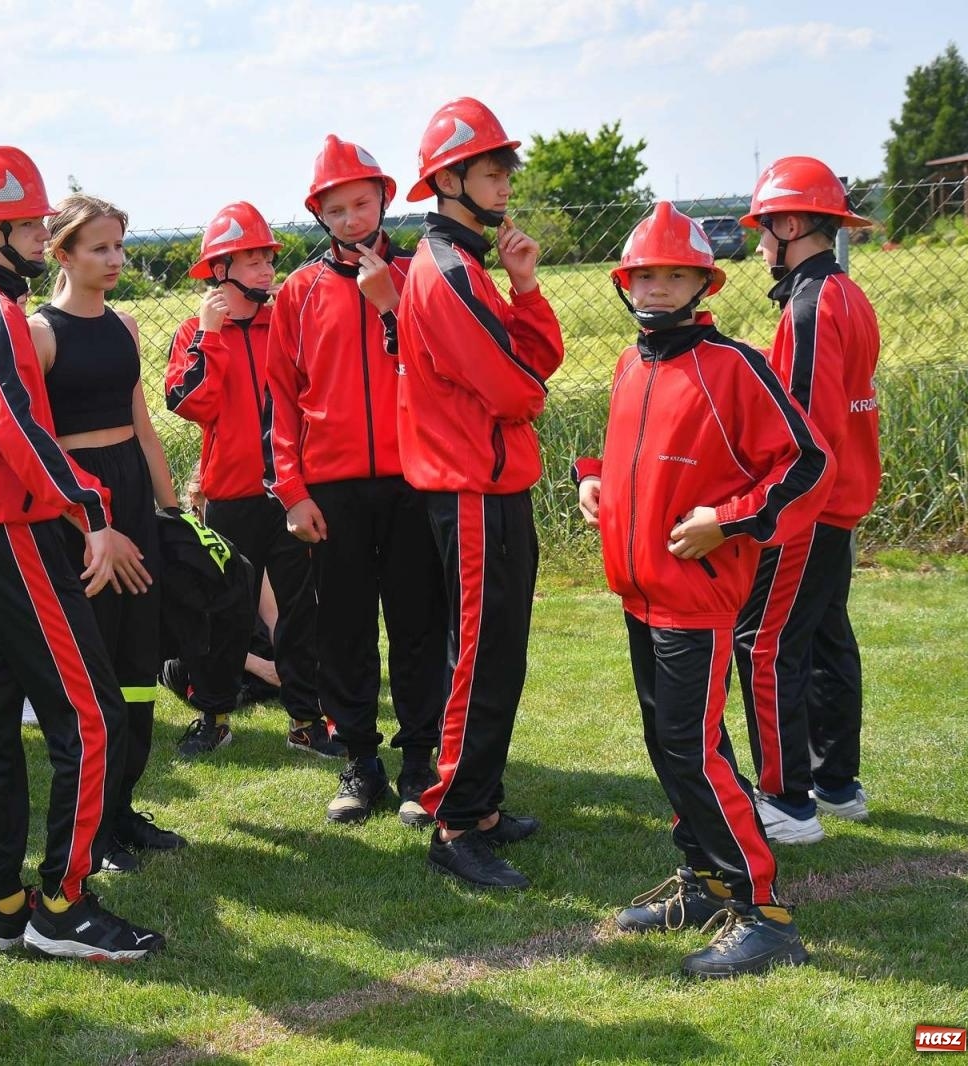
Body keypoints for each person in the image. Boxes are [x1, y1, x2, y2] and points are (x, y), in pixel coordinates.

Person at [0, 146, 165, 961]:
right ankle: (62, 904)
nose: (40, 232)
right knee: (90, 718)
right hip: (9, 533)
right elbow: (14, 427)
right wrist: (93, 508)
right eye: (30, 223)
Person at [573, 202, 832, 976]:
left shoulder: (734, 366)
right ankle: (707, 879)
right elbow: (638, 454)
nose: (656, 287)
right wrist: (593, 481)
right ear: (626, 283)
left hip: (697, 598)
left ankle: (766, 912)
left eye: (673, 274)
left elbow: (806, 464)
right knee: (673, 745)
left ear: (701, 283)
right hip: (638, 593)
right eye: (643, 274)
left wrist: (729, 521)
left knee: (695, 749)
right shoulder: (631, 364)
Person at [395, 97, 564, 889]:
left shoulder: (475, 265)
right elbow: (515, 387)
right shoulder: (449, 269)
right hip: (468, 489)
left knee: (499, 650)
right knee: (477, 658)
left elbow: (536, 361)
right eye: (490, 169)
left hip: (492, 483)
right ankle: (454, 823)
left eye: (504, 169)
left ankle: (482, 804)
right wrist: (526, 386)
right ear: (449, 177)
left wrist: (525, 287)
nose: (504, 181)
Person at [266, 135, 446, 826]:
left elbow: (445, 363)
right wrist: (293, 491)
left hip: (414, 478)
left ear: (384, 199)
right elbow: (279, 400)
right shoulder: (299, 292)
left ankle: (418, 759)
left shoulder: (423, 275)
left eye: (360, 203)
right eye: (334, 208)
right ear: (318, 213)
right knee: (340, 629)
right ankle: (360, 761)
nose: (349, 217)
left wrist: (393, 301)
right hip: (330, 489)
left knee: (418, 624)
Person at [29, 194, 186, 872]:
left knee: (138, 658)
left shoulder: (124, 325)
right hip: (78, 505)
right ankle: (93, 825)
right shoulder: (40, 333)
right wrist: (85, 518)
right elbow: (32, 442)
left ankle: (123, 809)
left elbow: (145, 428)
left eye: (120, 246)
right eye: (99, 248)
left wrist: (172, 513)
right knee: (95, 666)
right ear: (62, 253)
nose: (116, 259)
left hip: (130, 492)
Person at [732, 157, 882, 844]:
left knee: (763, 643)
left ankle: (786, 802)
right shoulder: (847, 296)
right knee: (824, 636)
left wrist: (762, 504)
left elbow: (795, 427)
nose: (760, 244)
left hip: (808, 508)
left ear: (792, 225)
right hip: (841, 501)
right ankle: (836, 782)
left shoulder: (810, 306)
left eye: (765, 229)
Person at [164, 202, 341, 760]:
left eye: (268, 257)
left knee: (300, 610)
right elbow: (191, 403)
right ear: (219, 270)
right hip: (228, 496)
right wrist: (211, 336)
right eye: (253, 259)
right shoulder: (195, 332)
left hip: (290, 493)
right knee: (223, 613)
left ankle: (307, 721)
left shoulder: (286, 322)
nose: (268, 269)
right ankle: (213, 715)